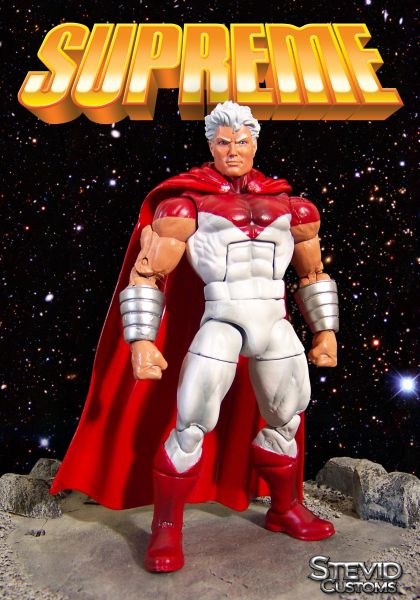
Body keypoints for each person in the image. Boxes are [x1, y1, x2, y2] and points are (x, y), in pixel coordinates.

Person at [51, 101, 338, 573]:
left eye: (241, 141)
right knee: (190, 425)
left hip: (274, 323)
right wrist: (141, 340)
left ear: (255, 144)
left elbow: (312, 274)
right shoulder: (186, 206)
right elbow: (148, 275)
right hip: (222, 320)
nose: (232, 150)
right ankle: (167, 527)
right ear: (211, 145)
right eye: (223, 142)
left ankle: (285, 508)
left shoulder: (296, 208)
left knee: (286, 418)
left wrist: (325, 331)